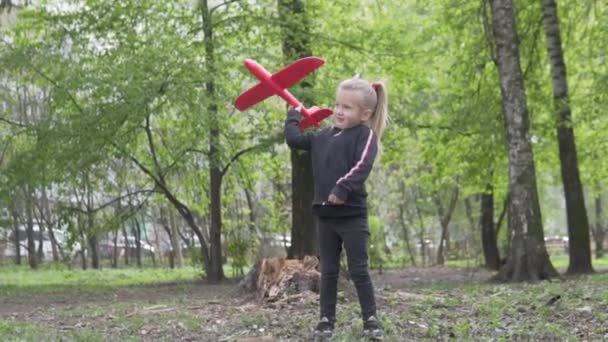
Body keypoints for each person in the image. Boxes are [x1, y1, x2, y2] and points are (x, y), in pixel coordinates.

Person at [284, 76, 389, 340]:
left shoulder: (365, 136)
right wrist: (293, 116)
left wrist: (341, 189)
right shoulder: (322, 136)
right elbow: (295, 140)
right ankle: (325, 321)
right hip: (326, 216)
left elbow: (362, 167)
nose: (339, 111)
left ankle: (371, 320)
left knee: (358, 270)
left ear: (365, 114)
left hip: (351, 216)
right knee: (328, 271)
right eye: (337, 105)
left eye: (347, 107)